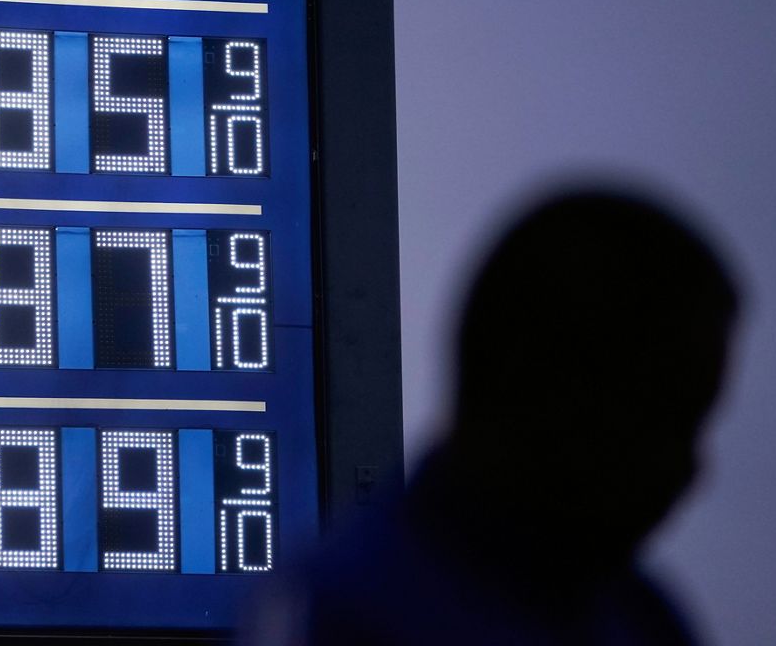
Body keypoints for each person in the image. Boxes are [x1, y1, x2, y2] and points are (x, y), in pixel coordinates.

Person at [251, 188, 739, 645]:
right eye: (665, 418)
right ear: (542, 387)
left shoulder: (642, 619)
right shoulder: (343, 614)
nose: (694, 470)